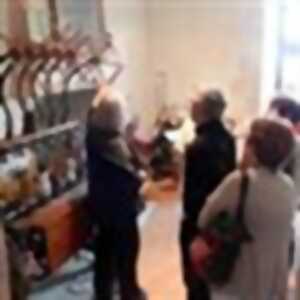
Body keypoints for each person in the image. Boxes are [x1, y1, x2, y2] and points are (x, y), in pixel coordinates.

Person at [198, 119, 297, 300]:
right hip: (274, 281)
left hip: (240, 279)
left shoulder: (240, 182)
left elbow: (204, 218)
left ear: (254, 147)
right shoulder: (288, 186)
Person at [86, 86, 146, 300]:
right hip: (120, 214)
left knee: (104, 263)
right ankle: (130, 294)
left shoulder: (94, 137)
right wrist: (142, 177)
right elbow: (131, 179)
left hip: (104, 213)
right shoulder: (111, 144)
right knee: (124, 261)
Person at [180, 89, 236, 300]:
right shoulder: (228, 139)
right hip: (222, 219)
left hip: (199, 221)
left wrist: (190, 225)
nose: (190, 109)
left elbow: (192, 196)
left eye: (193, 105)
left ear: (203, 110)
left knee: (195, 279)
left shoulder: (197, 146)